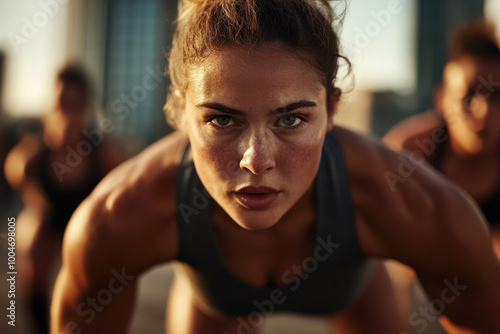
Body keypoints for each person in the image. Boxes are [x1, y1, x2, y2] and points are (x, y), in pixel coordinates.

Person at [51, 1, 500, 333]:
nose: (257, 160)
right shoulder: (112, 221)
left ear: (332, 110)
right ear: (179, 112)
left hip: (350, 283)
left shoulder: (420, 208)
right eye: (221, 120)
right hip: (216, 298)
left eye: (291, 119)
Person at [4, 64, 126, 334]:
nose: (67, 115)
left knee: (97, 283)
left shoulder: (104, 152)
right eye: (61, 104)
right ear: (50, 108)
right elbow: (14, 172)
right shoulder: (34, 154)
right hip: (50, 222)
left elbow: (132, 182)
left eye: (76, 105)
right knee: (30, 237)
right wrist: (33, 202)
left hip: (87, 228)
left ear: (87, 109)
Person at [384, 20, 500, 258]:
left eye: (497, 96)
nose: (484, 110)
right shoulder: (409, 152)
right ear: (442, 101)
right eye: (468, 96)